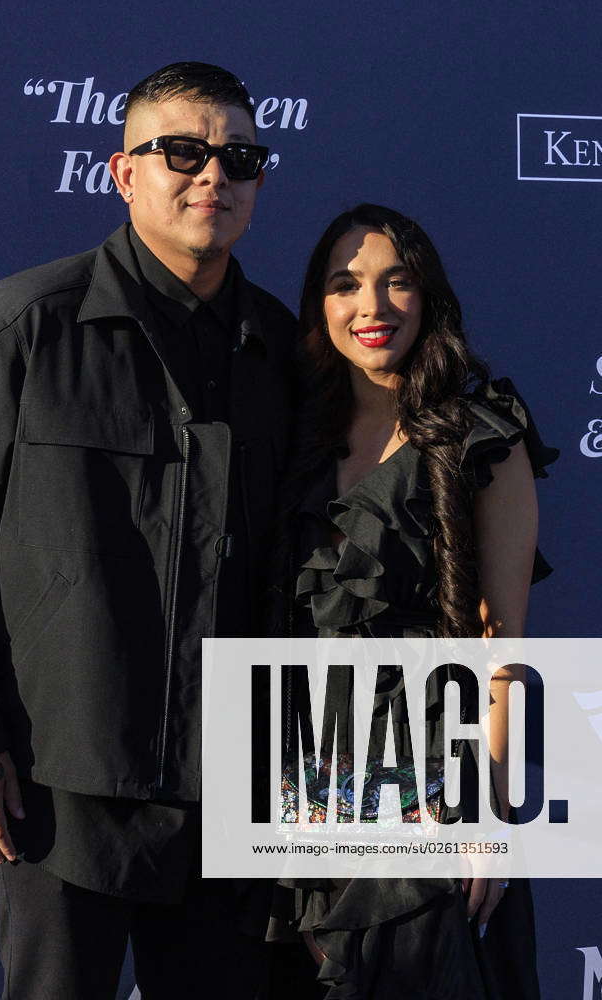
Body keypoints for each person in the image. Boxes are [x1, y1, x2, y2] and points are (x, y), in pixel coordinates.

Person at [0, 62, 297, 999]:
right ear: (122, 172)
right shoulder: (33, 323)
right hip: (60, 785)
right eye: (182, 151)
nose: (212, 176)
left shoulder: (281, 349)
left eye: (237, 155)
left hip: (228, 799)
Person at [266, 203, 557, 998]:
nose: (371, 307)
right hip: (299, 781)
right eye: (345, 285)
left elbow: (500, 647)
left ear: (427, 297)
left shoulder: (481, 440)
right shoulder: (289, 438)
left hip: (430, 780)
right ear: (317, 304)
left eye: (396, 282)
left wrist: (486, 812)